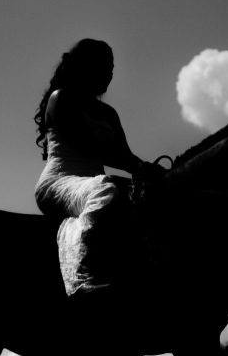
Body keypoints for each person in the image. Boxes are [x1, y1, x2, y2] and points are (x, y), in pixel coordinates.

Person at [34, 38, 161, 295]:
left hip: (93, 183)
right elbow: (85, 144)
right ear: (86, 66)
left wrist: (148, 170)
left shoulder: (109, 113)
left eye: (112, 68)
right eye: (105, 66)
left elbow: (125, 156)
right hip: (60, 182)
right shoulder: (61, 98)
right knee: (108, 189)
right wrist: (136, 168)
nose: (110, 73)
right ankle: (82, 273)